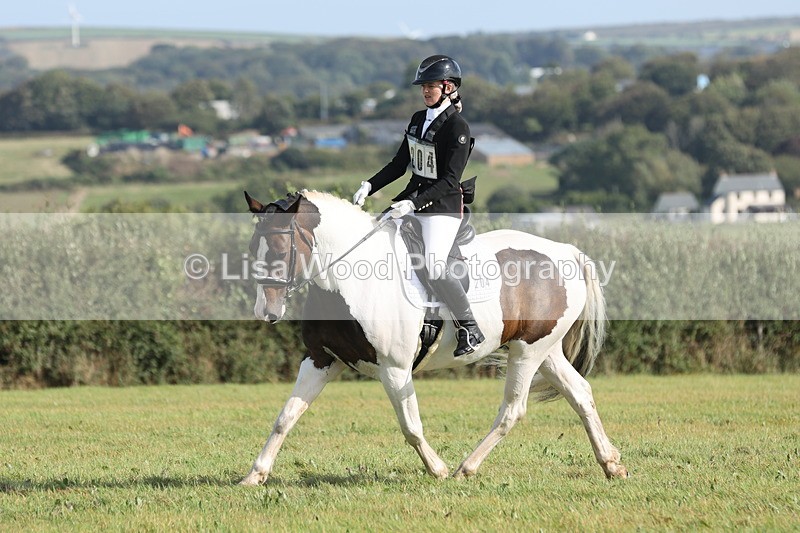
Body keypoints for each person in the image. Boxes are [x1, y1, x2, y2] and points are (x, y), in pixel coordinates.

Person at [352, 54, 484, 357]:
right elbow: (400, 165)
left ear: (448, 87)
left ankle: (469, 327)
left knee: (435, 266)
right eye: (423, 86)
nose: (425, 91)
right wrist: (370, 185)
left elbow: (450, 180)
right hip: (412, 202)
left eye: (431, 86)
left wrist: (411, 203)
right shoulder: (416, 120)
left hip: (442, 208)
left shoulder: (457, 127)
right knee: (373, 242)